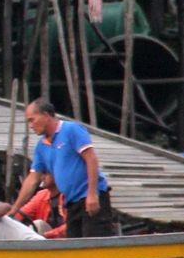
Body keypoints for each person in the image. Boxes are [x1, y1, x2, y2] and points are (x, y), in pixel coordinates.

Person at [8, 97, 113, 238]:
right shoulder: (41, 146)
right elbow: (32, 179)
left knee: (94, 241)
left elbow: (91, 159)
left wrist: (92, 194)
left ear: (45, 115)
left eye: (32, 120)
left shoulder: (70, 129)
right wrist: (14, 208)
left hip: (89, 195)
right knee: (73, 245)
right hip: (71, 201)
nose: (31, 125)